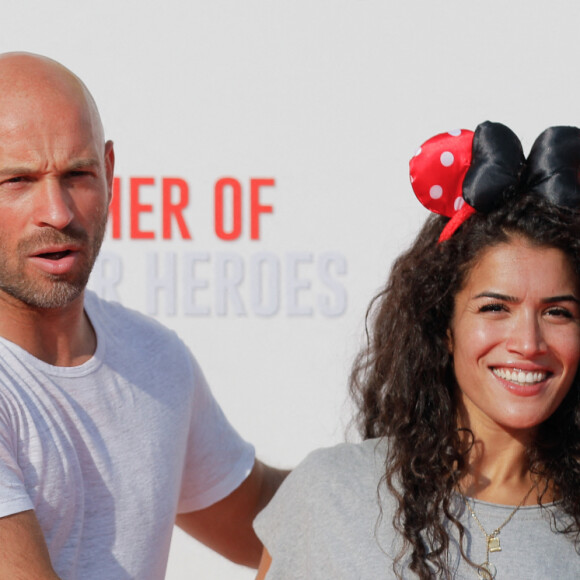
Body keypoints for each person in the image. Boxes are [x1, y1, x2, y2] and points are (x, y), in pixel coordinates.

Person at [0, 51, 287, 579]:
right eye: (17, 181)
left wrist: (410, 464)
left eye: (78, 174)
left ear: (109, 172)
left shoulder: (152, 357)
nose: (58, 212)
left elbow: (265, 522)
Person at [254, 121, 580, 579]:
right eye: (494, 308)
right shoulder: (329, 494)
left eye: (558, 313)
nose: (528, 343)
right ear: (443, 326)